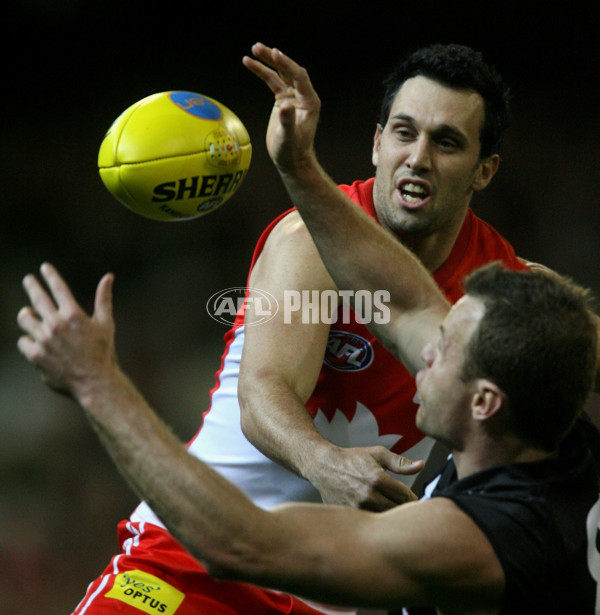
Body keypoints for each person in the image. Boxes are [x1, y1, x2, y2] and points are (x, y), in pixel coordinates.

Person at [16, 45, 600, 611]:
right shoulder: (306, 245)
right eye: (403, 132)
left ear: (484, 170)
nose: (418, 157)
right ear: (376, 144)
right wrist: (324, 463)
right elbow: (264, 387)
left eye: (446, 142)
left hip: (347, 582)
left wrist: (96, 382)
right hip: (197, 554)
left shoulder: (507, 306)